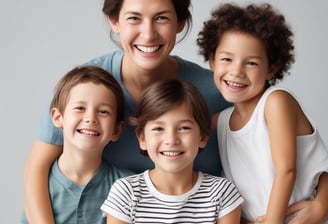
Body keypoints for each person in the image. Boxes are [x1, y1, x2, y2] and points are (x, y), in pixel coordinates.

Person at [23, 0, 328, 223]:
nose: (148, 33)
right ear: (114, 22)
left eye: (161, 18)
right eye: (133, 18)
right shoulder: (90, 86)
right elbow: (37, 169)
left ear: (180, 23)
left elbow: (303, 154)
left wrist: (322, 203)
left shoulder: (220, 90)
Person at [197, 3, 328, 224]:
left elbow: (286, 170)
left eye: (251, 63)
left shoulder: (276, 102)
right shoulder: (221, 121)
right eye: (227, 59)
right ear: (212, 61)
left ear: (271, 69)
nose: (236, 71)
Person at [101, 79, 244, 224]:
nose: (171, 139)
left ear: (202, 137)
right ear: (142, 138)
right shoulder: (126, 193)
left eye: (184, 128)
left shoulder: (222, 193)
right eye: (158, 129)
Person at [21, 66, 133, 224]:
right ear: (58, 117)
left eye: (103, 111)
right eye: (80, 108)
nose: (90, 118)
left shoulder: (129, 186)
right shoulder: (39, 188)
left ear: (116, 129)